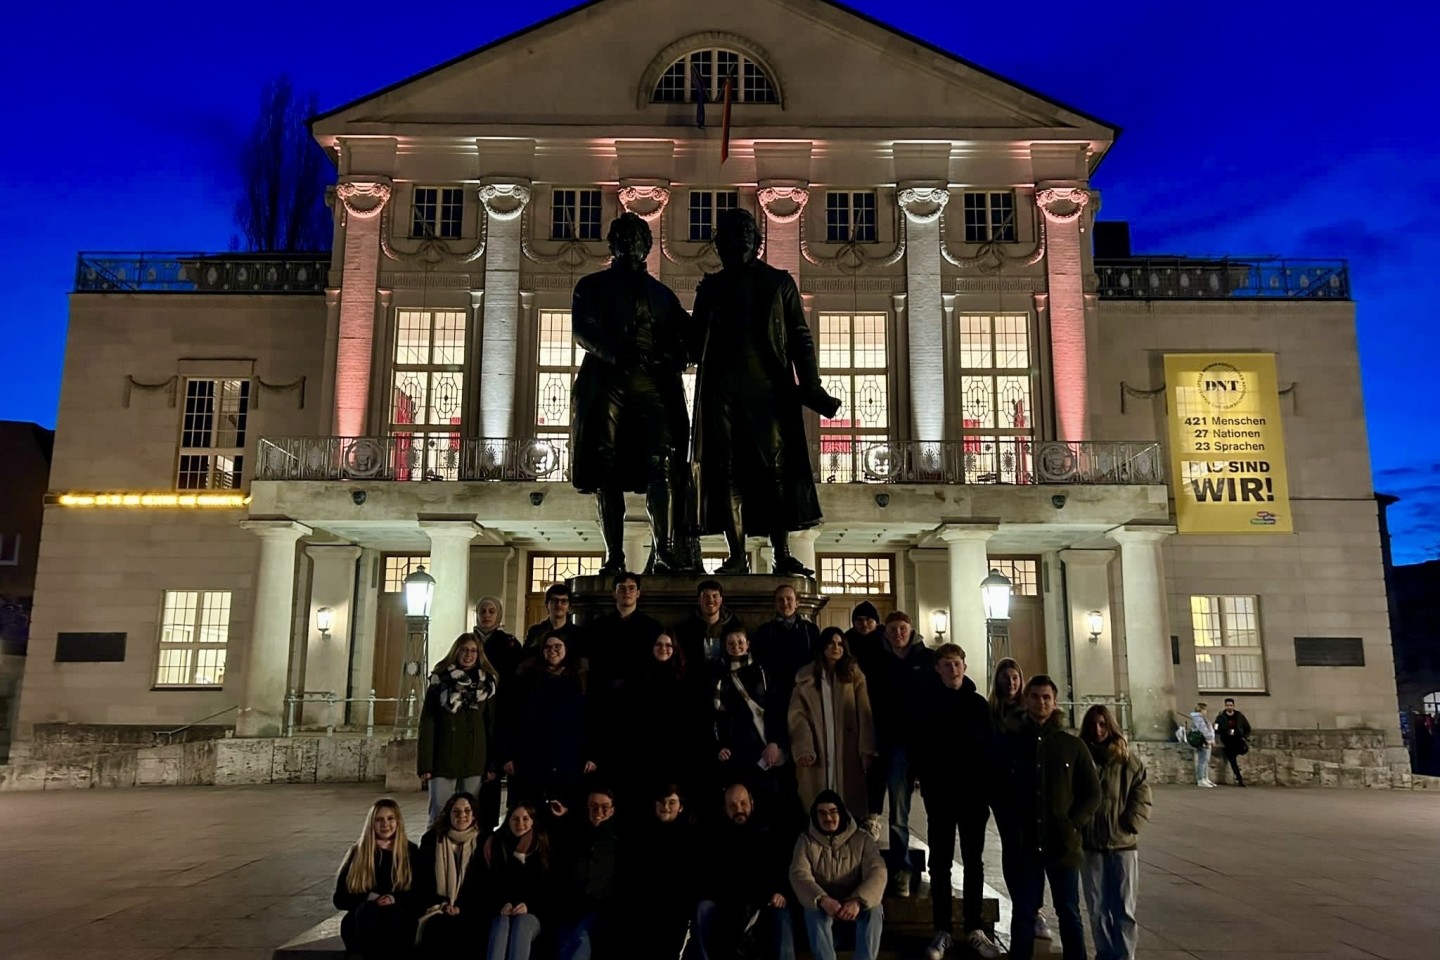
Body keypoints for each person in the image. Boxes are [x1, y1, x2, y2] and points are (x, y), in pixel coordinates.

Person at [691, 207, 840, 576]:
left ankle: (781, 551)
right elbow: (693, 348)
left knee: (774, 469)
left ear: (757, 242)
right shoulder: (711, 288)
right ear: (719, 244)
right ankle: (736, 553)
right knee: (726, 471)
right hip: (721, 391)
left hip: (768, 390)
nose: (737, 240)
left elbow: (800, 338)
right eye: (729, 234)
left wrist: (811, 385)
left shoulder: (779, 282)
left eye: (744, 233)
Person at [570, 212, 695, 574]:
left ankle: (665, 552)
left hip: (653, 385)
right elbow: (583, 331)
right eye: (623, 239)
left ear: (647, 247)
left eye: (638, 239)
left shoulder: (662, 295)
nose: (630, 245)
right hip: (607, 382)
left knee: (664, 464)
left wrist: (676, 354)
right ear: (612, 245)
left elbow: (688, 341)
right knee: (606, 469)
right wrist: (616, 352)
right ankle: (615, 556)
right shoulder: (590, 286)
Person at [996, 676, 1101, 960]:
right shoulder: (1011, 743)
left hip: (1062, 843)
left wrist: (1073, 823)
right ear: (1026, 700)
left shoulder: (1071, 745)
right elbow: (997, 788)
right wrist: (1009, 826)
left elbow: (1091, 792)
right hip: (1025, 843)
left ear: (1054, 703)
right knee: (1024, 911)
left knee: (1068, 911)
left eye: (1046, 697)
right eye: (1035, 696)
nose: (1041, 702)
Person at [913, 644, 1000, 960]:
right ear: (938, 668)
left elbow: (989, 749)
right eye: (947, 664)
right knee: (940, 863)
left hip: (973, 796)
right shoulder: (927, 703)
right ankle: (943, 930)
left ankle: (974, 928)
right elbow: (920, 746)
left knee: (974, 862)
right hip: (941, 796)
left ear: (964, 665)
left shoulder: (978, 705)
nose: (953, 669)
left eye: (957, 664)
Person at [866, 611, 934, 894]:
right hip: (894, 744)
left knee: (937, 811)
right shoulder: (879, 662)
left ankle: (942, 867)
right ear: (886, 633)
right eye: (892, 629)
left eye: (902, 628)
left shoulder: (927, 659)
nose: (898, 633)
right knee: (898, 811)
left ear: (911, 629)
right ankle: (902, 866)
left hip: (925, 743)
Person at [1078, 705, 1152, 960]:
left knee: (1123, 908)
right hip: (1091, 845)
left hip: (1122, 845)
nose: (1098, 730)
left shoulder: (1127, 761)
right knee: (1097, 908)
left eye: (1103, 724)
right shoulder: (1080, 758)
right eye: (1093, 725)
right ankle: (1105, 953)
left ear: (1110, 726)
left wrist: (1131, 824)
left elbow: (1141, 795)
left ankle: (1124, 955)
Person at [695, 783, 796, 960]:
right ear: (725, 808)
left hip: (765, 902)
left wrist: (781, 893)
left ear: (752, 803)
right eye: (732, 805)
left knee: (782, 915)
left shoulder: (770, 833)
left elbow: (785, 869)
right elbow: (710, 878)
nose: (739, 809)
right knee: (704, 908)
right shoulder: (715, 838)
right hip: (729, 903)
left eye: (743, 803)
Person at [789, 627, 877, 817]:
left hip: (847, 747)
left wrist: (866, 749)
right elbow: (798, 716)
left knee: (846, 796)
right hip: (819, 746)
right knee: (818, 794)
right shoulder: (807, 678)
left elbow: (864, 710)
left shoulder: (853, 675)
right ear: (823, 647)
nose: (836, 648)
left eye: (839, 644)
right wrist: (804, 747)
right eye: (831, 643)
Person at [789, 790, 887, 960]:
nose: (828, 818)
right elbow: (799, 875)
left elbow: (877, 872)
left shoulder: (862, 839)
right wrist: (822, 899)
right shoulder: (805, 841)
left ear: (841, 813)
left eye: (833, 812)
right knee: (812, 908)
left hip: (854, 905)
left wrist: (858, 900)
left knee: (874, 909)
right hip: (825, 907)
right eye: (822, 813)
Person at [502, 632, 596, 806]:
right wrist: (508, 754)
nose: (552, 651)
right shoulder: (527, 678)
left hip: (568, 757)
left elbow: (591, 719)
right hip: (532, 757)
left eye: (557, 647)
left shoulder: (580, 678)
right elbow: (512, 718)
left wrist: (592, 754)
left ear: (566, 649)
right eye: (547, 647)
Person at [616, 632, 706, 806]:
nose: (663, 649)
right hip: (645, 752)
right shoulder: (638, 678)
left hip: (677, 751)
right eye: (659, 644)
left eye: (668, 645)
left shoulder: (687, 680)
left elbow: (694, 719)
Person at [418, 633, 500, 824]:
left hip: (474, 758)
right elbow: (427, 723)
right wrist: (425, 765)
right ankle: (437, 851)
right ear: (456, 652)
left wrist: (493, 763)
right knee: (439, 813)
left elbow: (491, 725)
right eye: (464, 650)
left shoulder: (487, 685)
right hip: (443, 758)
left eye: (473, 651)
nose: (468, 655)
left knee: (468, 815)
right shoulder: (439, 682)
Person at [332, 798, 419, 960]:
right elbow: (340, 899)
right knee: (368, 911)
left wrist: (393, 898)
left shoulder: (410, 851)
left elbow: (420, 893)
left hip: (398, 919)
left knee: (396, 917)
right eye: (379, 820)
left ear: (398, 821)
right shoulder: (358, 852)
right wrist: (370, 898)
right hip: (363, 921)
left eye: (390, 818)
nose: (385, 824)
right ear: (371, 823)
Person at [624, 785, 700, 960]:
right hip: (643, 912)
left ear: (681, 806)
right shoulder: (642, 834)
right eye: (662, 802)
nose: (666, 807)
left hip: (674, 914)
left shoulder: (691, 838)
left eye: (671, 802)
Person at [712, 628, 785, 805]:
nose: (736, 646)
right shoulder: (721, 678)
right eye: (731, 643)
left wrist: (775, 742)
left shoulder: (763, 672)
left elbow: (776, 708)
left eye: (740, 642)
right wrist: (720, 746)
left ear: (748, 644)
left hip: (763, 747)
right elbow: (718, 715)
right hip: (736, 752)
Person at [551, 788, 621, 960]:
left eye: (604, 807)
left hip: (601, 906)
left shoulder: (618, 839)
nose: (599, 812)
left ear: (612, 810)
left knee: (581, 937)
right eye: (593, 806)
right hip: (570, 905)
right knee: (564, 940)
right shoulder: (574, 833)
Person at [476, 802, 552, 960]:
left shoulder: (541, 845)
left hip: (532, 912)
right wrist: (501, 905)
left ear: (532, 821)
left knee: (521, 924)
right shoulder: (496, 844)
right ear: (508, 821)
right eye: (515, 819)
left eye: (525, 819)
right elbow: (487, 885)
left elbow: (548, 889)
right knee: (501, 925)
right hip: (501, 910)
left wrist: (528, 905)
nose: (520, 824)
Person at [415, 792, 485, 951]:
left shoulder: (483, 841)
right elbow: (422, 881)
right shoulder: (432, 840)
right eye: (456, 811)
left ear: (474, 816)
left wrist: (462, 907)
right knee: (438, 927)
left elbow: (484, 885)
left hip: (471, 908)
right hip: (438, 906)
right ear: (449, 814)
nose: (462, 815)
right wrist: (443, 905)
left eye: (467, 811)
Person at [672, 579, 743, 672]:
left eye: (715, 596)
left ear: (721, 599)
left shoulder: (734, 626)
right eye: (706, 596)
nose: (711, 600)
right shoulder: (686, 629)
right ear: (699, 600)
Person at [525, 583, 580, 653]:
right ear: (547, 605)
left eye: (563, 601)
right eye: (554, 600)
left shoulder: (578, 634)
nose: (559, 604)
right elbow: (526, 658)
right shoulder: (535, 632)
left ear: (569, 607)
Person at [1215, 697, 1252, 786]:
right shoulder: (1221, 716)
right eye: (1227, 705)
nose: (1229, 707)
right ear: (1225, 706)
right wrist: (1222, 732)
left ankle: (1240, 775)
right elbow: (1216, 727)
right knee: (1232, 761)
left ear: (1234, 706)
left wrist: (1244, 736)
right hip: (1227, 742)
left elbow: (1248, 727)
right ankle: (1239, 779)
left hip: (1238, 740)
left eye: (1231, 705)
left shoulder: (1239, 716)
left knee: (1244, 750)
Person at [988, 657, 1025, 729]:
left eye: (1015, 678)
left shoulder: (1029, 708)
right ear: (997, 679)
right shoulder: (988, 709)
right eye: (1005, 677)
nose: (1011, 682)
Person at [1188, 701, 1217, 788]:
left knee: (1205, 760)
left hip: (1206, 741)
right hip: (1203, 741)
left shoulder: (1202, 718)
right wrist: (1209, 739)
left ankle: (1205, 777)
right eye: (1204, 709)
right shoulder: (1199, 718)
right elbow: (1204, 729)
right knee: (1202, 760)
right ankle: (1201, 779)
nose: (1205, 711)